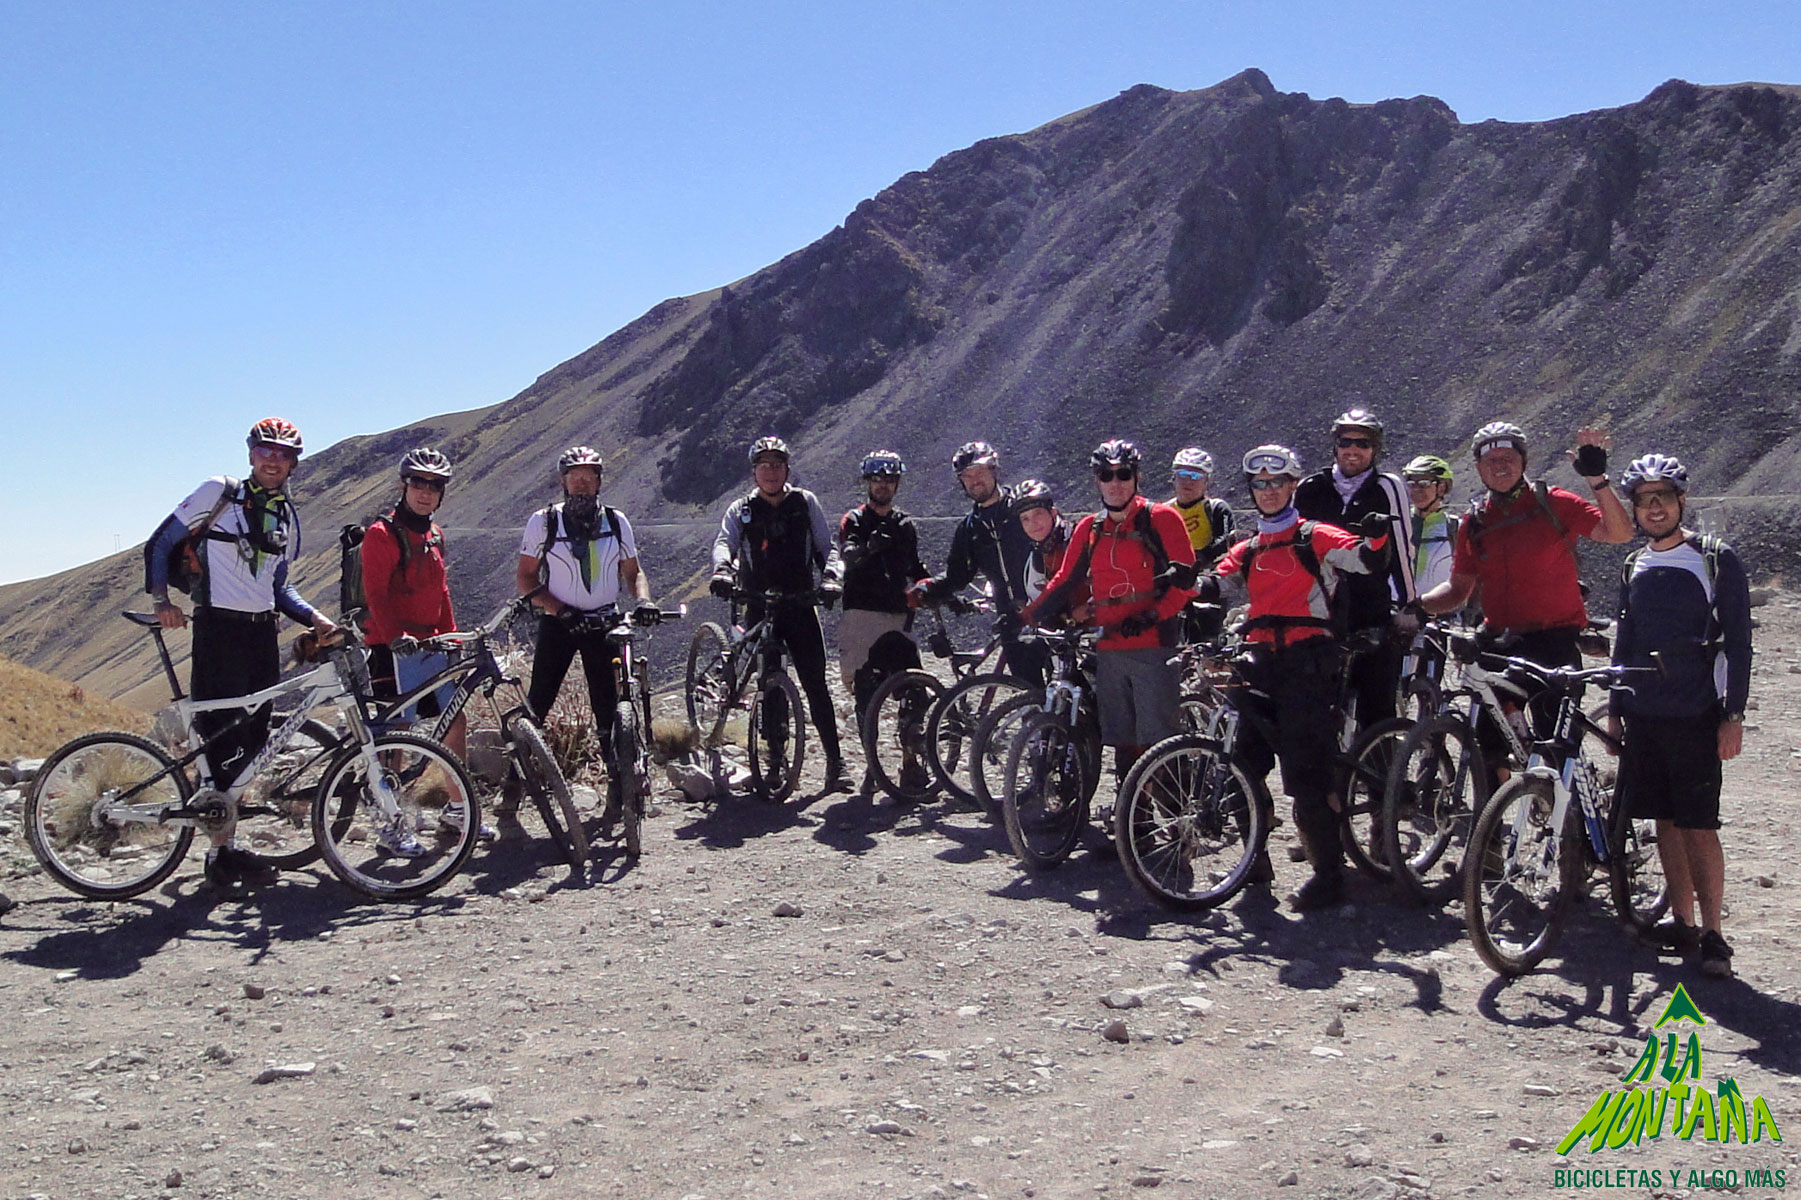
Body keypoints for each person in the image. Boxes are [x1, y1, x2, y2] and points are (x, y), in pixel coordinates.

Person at [148, 417, 338, 889]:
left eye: (283, 454)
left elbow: (279, 587)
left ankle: (226, 847)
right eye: (265, 450)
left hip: (260, 637)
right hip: (217, 630)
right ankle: (217, 853)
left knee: (253, 740)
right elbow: (160, 542)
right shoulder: (220, 492)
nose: (273, 459)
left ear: (293, 463)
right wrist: (161, 602)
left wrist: (313, 617)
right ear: (251, 454)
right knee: (217, 739)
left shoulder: (283, 513)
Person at [1202, 445, 1394, 909]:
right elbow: (1217, 581)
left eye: (1277, 483)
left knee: (1307, 775)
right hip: (1260, 659)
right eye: (1260, 484)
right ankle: (1254, 861)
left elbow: (1364, 561)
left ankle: (1329, 875)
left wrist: (1375, 538)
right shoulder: (1249, 547)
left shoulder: (1316, 535)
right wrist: (1185, 581)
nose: (1268, 491)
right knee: (1243, 764)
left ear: (1292, 486)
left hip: (1310, 661)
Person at [1610, 454, 1753, 979]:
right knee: (1663, 820)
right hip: (1645, 710)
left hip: (1696, 711)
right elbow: (1625, 639)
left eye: (1663, 498)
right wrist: (1618, 709)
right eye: (1645, 500)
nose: (1654, 508)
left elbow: (1739, 643)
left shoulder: (1715, 559)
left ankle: (1714, 934)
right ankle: (1683, 922)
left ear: (1681, 501)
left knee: (1698, 823)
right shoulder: (1633, 565)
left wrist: (1732, 715)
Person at [1024, 440, 1195, 779]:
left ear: (1137, 477)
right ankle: (1134, 822)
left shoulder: (1162, 518)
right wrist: (1026, 617)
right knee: (1124, 745)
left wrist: (1152, 615)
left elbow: (1186, 582)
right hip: (1109, 648)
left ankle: (1179, 822)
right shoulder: (1090, 528)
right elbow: (1063, 580)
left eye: (1123, 474)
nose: (1115, 483)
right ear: (1096, 481)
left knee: (1158, 745)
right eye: (1107, 475)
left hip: (1154, 645)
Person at [516, 445, 658, 822]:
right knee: (538, 704)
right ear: (563, 481)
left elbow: (633, 572)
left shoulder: (616, 520)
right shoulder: (543, 522)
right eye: (573, 475)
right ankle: (513, 790)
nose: (581, 482)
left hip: (603, 621)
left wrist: (642, 600)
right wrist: (560, 610)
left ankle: (618, 788)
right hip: (559, 623)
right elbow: (526, 578)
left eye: (588, 475)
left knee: (608, 709)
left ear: (598, 481)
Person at [710, 436, 849, 792]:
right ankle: (775, 759)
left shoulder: (804, 503)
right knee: (769, 683)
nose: (770, 472)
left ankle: (836, 763)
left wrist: (832, 578)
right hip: (758, 602)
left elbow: (826, 548)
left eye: (777, 465)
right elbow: (724, 542)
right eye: (763, 465)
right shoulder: (741, 509)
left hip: (800, 602)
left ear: (787, 469)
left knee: (816, 684)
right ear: (754, 471)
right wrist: (722, 570)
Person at [358, 448, 479, 853]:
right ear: (403, 485)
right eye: (418, 483)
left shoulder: (434, 534)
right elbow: (375, 594)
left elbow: (441, 593)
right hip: (392, 648)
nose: (426, 492)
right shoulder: (381, 533)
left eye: (435, 485)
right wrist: (394, 637)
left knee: (454, 723)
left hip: (431, 646)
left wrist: (452, 638)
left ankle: (459, 812)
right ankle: (391, 823)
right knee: (398, 733)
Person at [1293, 408, 1417, 725]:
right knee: (1318, 714)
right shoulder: (1309, 488)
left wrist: (1409, 605)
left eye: (1363, 443)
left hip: (1371, 610)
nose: (1353, 450)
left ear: (1375, 449)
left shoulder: (1388, 487)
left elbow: (1403, 549)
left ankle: (1380, 772)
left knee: (1377, 714)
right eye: (1346, 441)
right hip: (1319, 615)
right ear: (1335, 446)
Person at [912, 441, 1044, 683]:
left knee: (1071, 688)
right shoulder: (969, 528)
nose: (975, 481)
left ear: (994, 470)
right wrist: (931, 587)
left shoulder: (1023, 508)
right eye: (967, 476)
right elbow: (958, 575)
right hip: (1010, 618)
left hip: (1047, 607)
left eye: (980, 472)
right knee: (1030, 692)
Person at [836, 449, 929, 718]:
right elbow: (847, 554)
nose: (882, 484)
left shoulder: (904, 524)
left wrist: (934, 587)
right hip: (862, 615)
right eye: (876, 479)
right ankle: (870, 757)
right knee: (867, 695)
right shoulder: (854, 519)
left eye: (889, 480)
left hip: (898, 616)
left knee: (915, 692)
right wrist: (869, 547)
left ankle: (912, 753)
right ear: (867, 482)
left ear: (896, 485)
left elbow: (914, 566)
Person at [1167, 447, 1235, 643]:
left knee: (1206, 645)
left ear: (1207, 481)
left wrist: (1197, 558)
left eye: (1196, 475)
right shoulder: (1164, 511)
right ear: (1173, 477)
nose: (1188, 480)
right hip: (1172, 587)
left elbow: (1226, 542)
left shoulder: (1216, 508)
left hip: (1207, 586)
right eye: (1182, 474)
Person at [1401, 455, 1459, 596]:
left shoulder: (1455, 528)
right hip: (1398, 612)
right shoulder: (1398, 523)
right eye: (1411, 484)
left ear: (1441, 488)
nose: (1415, 490)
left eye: (1423, 483)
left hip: (1442, 612)